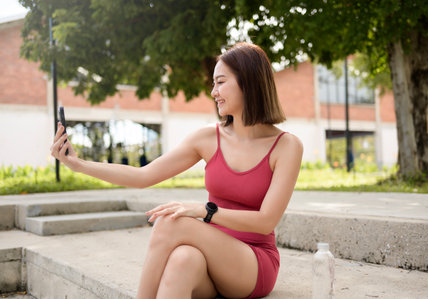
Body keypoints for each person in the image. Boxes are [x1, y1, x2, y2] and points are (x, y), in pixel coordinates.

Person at [51, 42, 303, 299]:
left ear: (247, 82)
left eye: (221, 82)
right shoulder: (207, 138)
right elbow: (143, 176)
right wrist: (79, 165)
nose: (214, 91)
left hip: (252, 264)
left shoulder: (286, 146)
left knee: (170, 222)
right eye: (213, 84)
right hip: (208, 258)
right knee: (181, 260)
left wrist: (205, 211)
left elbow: (266, 221)